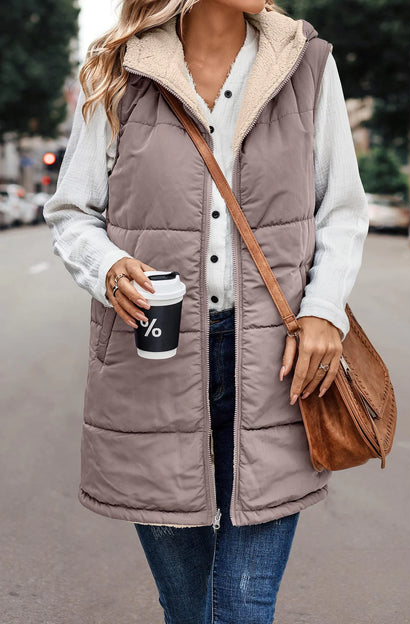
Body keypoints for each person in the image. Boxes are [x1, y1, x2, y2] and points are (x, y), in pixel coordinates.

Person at [43, 0, 369, 622]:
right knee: (190, 610)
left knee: (245, 610)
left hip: (277, 365)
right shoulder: (117, 69)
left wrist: (325, 310)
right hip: (152, 364)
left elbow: (343, 209)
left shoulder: (308, 65)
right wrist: (108, 267)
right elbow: (72, 213)